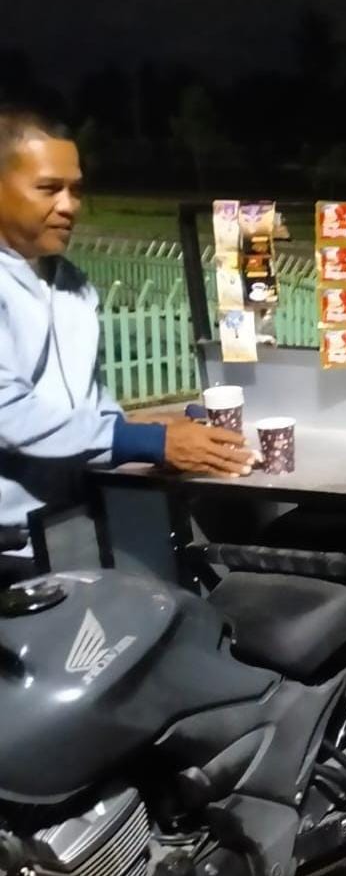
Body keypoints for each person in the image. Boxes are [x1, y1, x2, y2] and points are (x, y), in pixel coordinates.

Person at [0, 109, 254, 587]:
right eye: (48, 188)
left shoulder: (71, 284)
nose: (69, 206)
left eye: (76, 189)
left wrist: (147, 425)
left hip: (69, 527)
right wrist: (146, 442)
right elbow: (8, 413)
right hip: (10, 549)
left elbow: (85, 403)